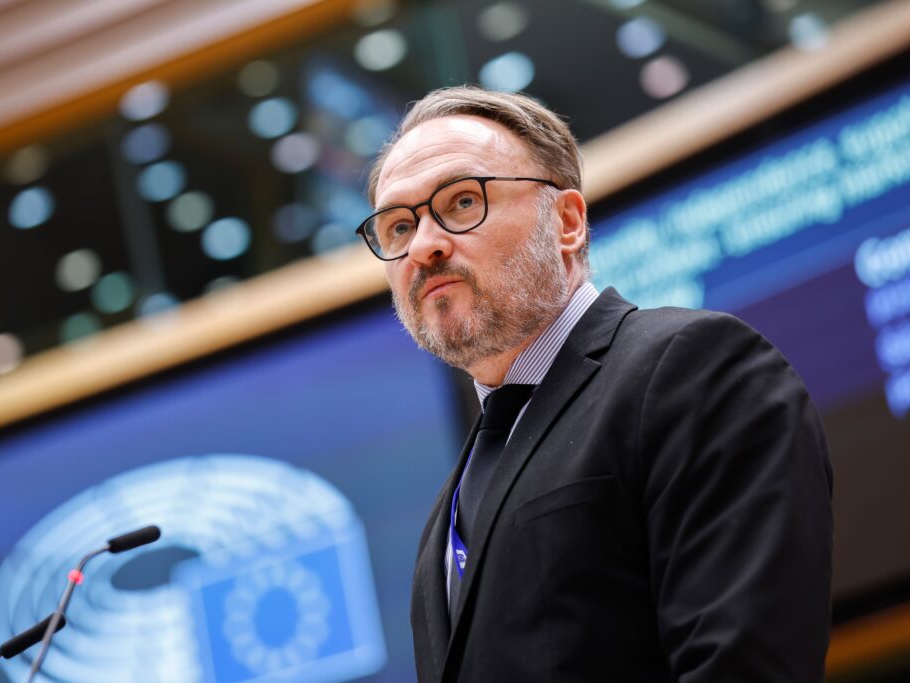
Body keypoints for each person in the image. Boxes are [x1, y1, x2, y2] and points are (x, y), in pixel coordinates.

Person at [355, 86, 833, 682]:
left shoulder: (692, 367)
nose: (424, 245)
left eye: (462, 202)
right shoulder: (444, 515)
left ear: (567, 221)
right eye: (399, 227)